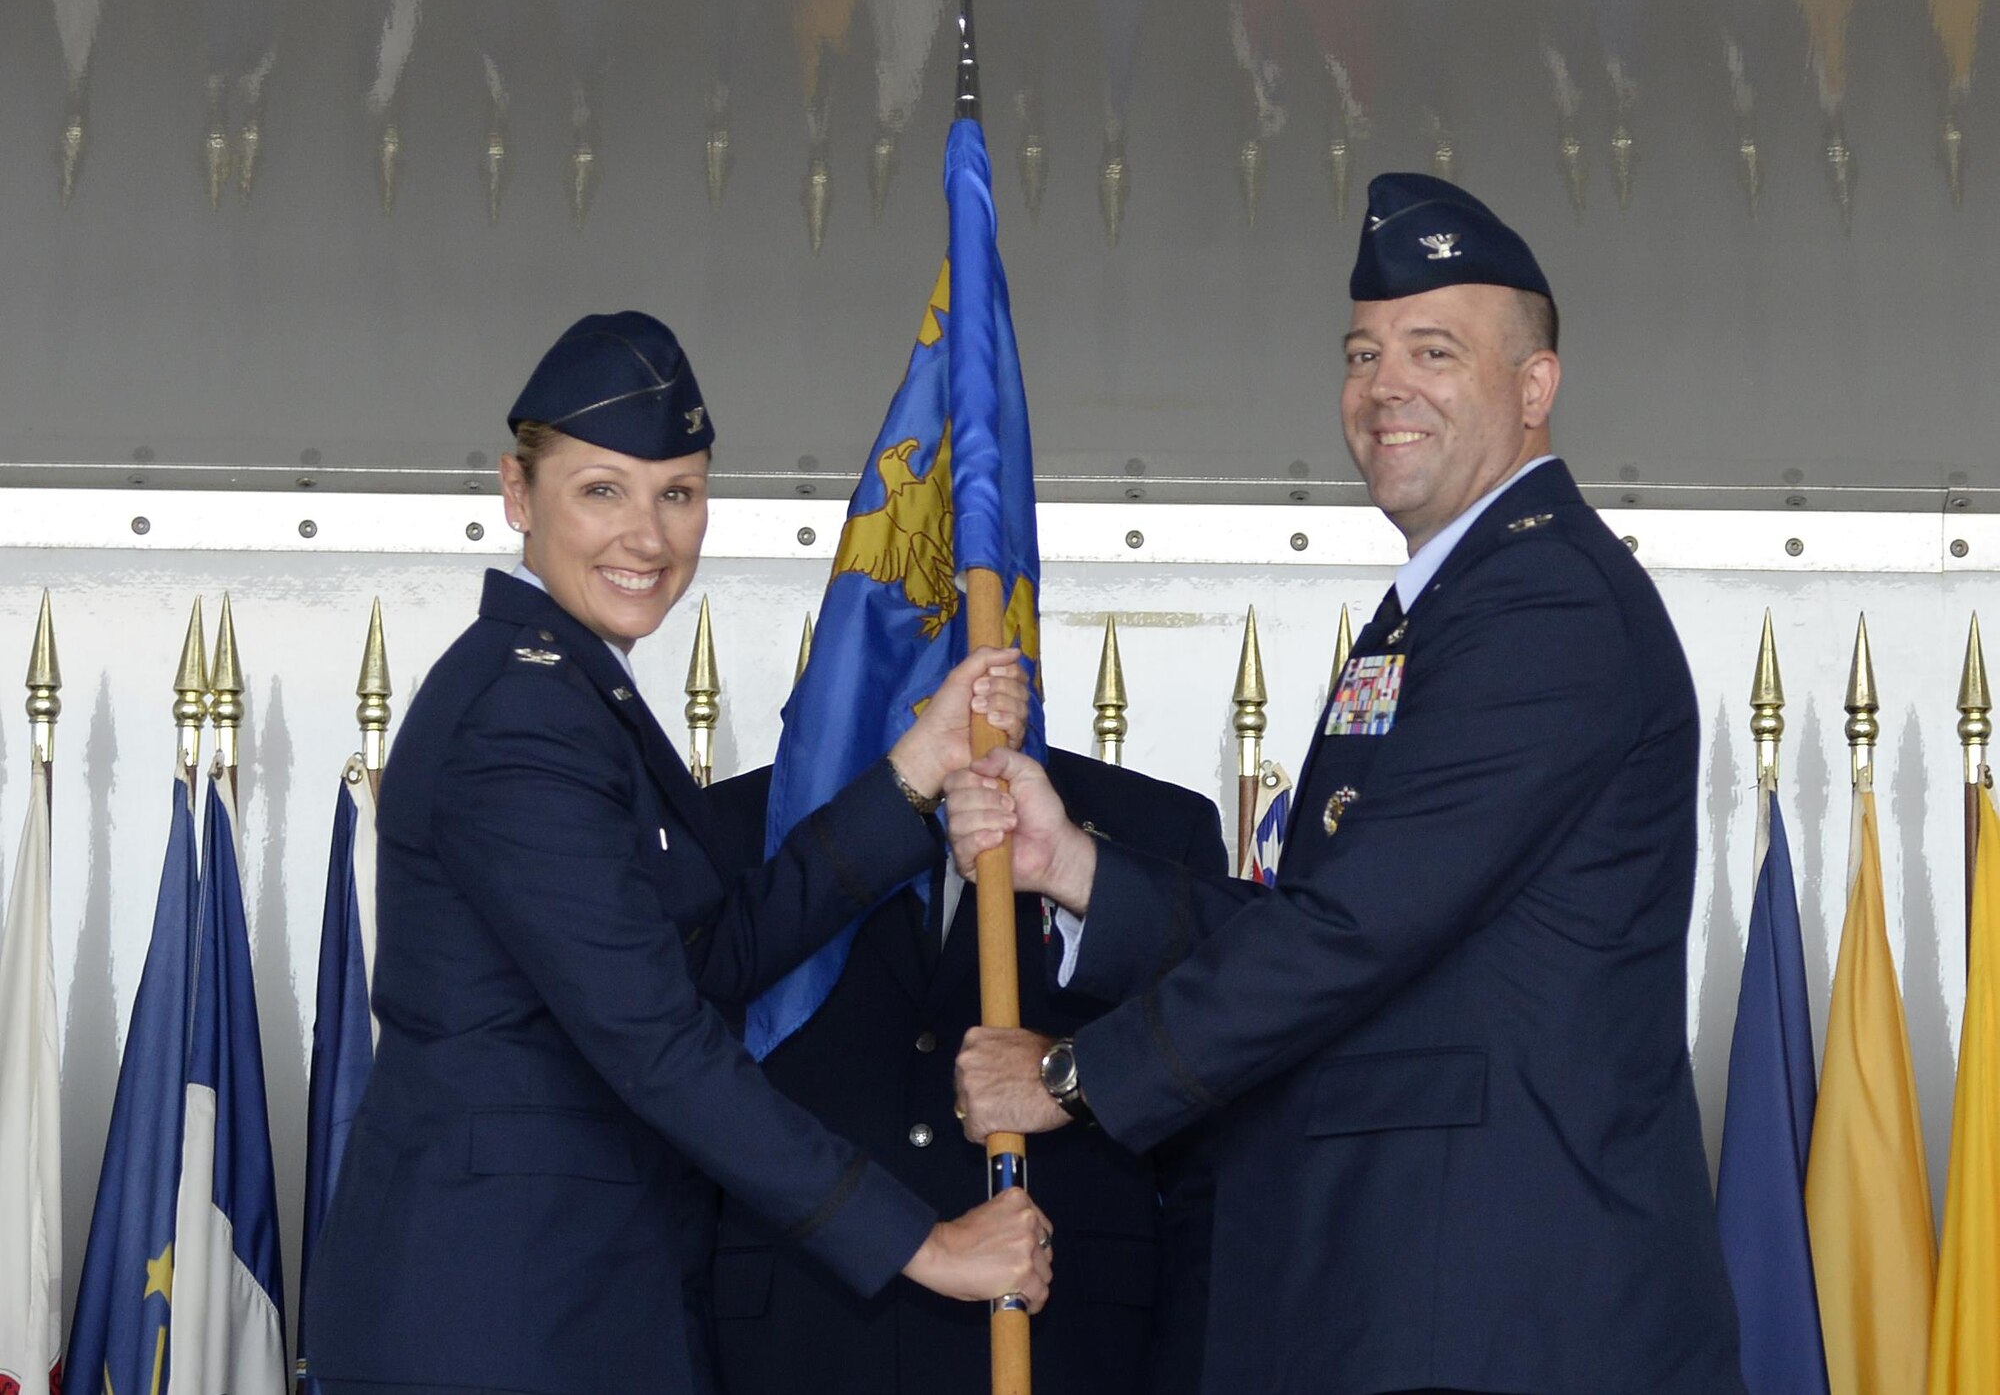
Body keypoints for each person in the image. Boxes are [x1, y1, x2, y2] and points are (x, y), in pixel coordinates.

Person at [943, 176, 1748, 1395]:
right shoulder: (1444, 606)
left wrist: (1074, 1078)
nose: (1386, 389)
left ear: (1533, 390)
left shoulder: (1543, 605)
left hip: (1492, 1312)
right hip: (1407, 1294)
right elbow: (1345, 916)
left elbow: (1354, 932)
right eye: (1363, 353)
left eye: (1434, 351)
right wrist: (1074, 868)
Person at [302, 312, 1053, 1395]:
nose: (645, 538)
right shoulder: (522, 715)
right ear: (517, 494)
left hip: (572, 1297)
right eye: (600, 490)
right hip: (500, 1317)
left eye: (677, 494)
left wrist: (913, 771)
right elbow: (655, 1039)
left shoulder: (571, 692)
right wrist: (925, 1246)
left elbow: (705, 958)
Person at [704, 749, 1227, 1395]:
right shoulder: (726, 828)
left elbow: (1204, 1183)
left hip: (1069, 1352)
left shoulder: (1154, 830)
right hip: (796, 1347)